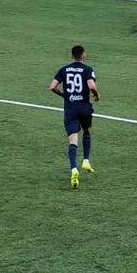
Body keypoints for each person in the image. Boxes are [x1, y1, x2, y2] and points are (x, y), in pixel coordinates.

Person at [49, 45, 100, 189]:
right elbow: (91, 86)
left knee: (72, 141)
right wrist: (96, 95)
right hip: (84, 109)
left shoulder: (64, 69)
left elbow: (52, 87)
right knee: (86, 131)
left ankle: (73, 169)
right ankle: (86, 160)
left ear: (72, 56)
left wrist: (64, 95)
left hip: (70, 110)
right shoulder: (87, 69)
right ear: (83, 55)